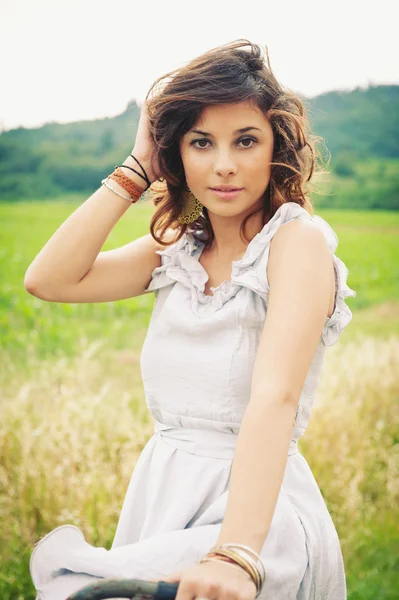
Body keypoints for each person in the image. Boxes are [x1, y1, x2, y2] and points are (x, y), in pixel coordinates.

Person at [26, 39, 356, 600]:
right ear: (175, 153)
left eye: (245, 141)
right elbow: (50, 280)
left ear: (276, 147)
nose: (223, 164)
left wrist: (235, 553)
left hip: (254, 511)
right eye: (201, 142)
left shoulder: (295, 243)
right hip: (165, 490)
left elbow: (273, 399)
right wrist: (134, 172)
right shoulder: (178, 246)